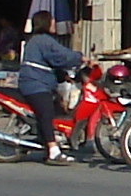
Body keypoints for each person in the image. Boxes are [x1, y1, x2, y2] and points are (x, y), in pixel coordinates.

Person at [14, 11, 86, 162]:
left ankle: (46, 142)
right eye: (52, 21)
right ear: (45, 23)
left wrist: (64, 77)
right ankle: (53, 151)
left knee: (57, 110)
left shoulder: (37, 40)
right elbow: (61, 56)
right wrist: (80, 57)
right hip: (35, 85)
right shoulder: (43, 40)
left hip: (38, 82)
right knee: (46, 114)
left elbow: (49, 63)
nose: (54, 24)